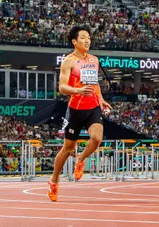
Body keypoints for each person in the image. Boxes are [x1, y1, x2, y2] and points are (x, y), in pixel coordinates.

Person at [48, 26, 111, 202]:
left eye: (89, 37)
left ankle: (81, 159)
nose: (87, 41)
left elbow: (95, 84)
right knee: (68, 149)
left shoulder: (94, 60)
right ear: (74, 41)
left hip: (92, 107)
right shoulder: (69, 61)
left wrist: (100, 99)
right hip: (75, 109)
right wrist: (78, 90)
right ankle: (54, 181)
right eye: (83, 37)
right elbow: (62, 87)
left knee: (97, 138)